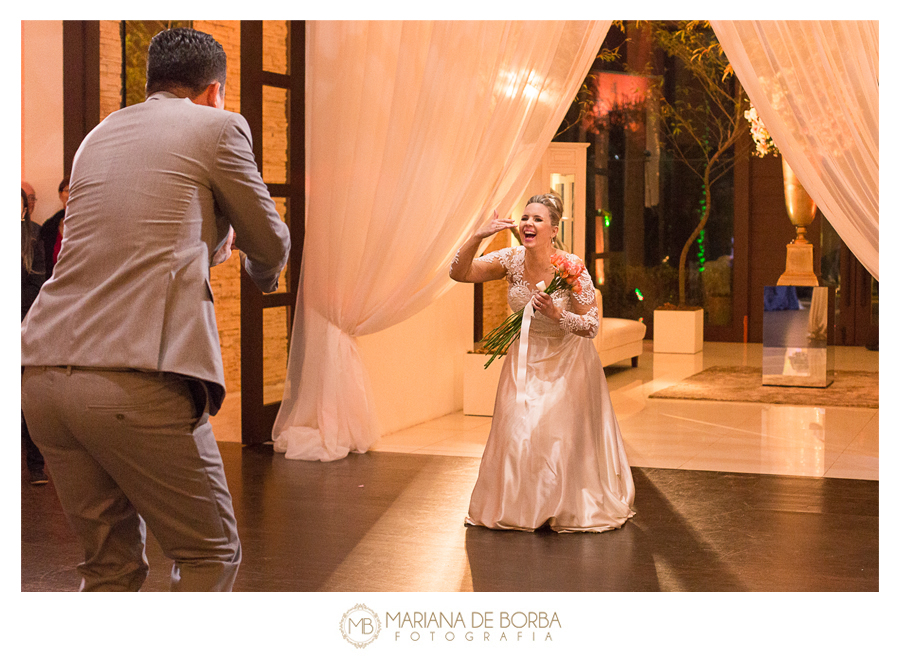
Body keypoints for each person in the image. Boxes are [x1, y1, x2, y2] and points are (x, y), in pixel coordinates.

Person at [21, 27, 290, 591]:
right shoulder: (219, 126)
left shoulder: (99, 135)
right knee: (209, 553)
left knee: (108, 568)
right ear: (215, 90)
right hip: (135, 372)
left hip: (41, 373)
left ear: (151, 83)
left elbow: (142, 237)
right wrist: (263, 276)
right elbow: (270, 239)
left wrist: (212, 243)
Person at [450, 193, 635, 533]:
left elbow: (592, 326)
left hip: (567, 361)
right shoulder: (510, 260)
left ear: (553, 228)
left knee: (553, 433)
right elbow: (459, 273)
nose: (528, 224)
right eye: (525, 218)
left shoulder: (572, 267)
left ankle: (562, 505)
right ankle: (520, 508)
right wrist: (479, 235)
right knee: (516, 430)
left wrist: (556, 313)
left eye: (537, 219)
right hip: (524, 357)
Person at [21, 187, 48, 485]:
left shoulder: (34, 234)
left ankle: (36, 466)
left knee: (26, 399)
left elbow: (37, 283)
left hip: (23, 324)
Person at [38, 176, 69, 280]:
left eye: (75, 191)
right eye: (67, 190)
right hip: (54, 282)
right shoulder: (49, 226)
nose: (71, 195)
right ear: (60, 195)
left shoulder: (88, 222)